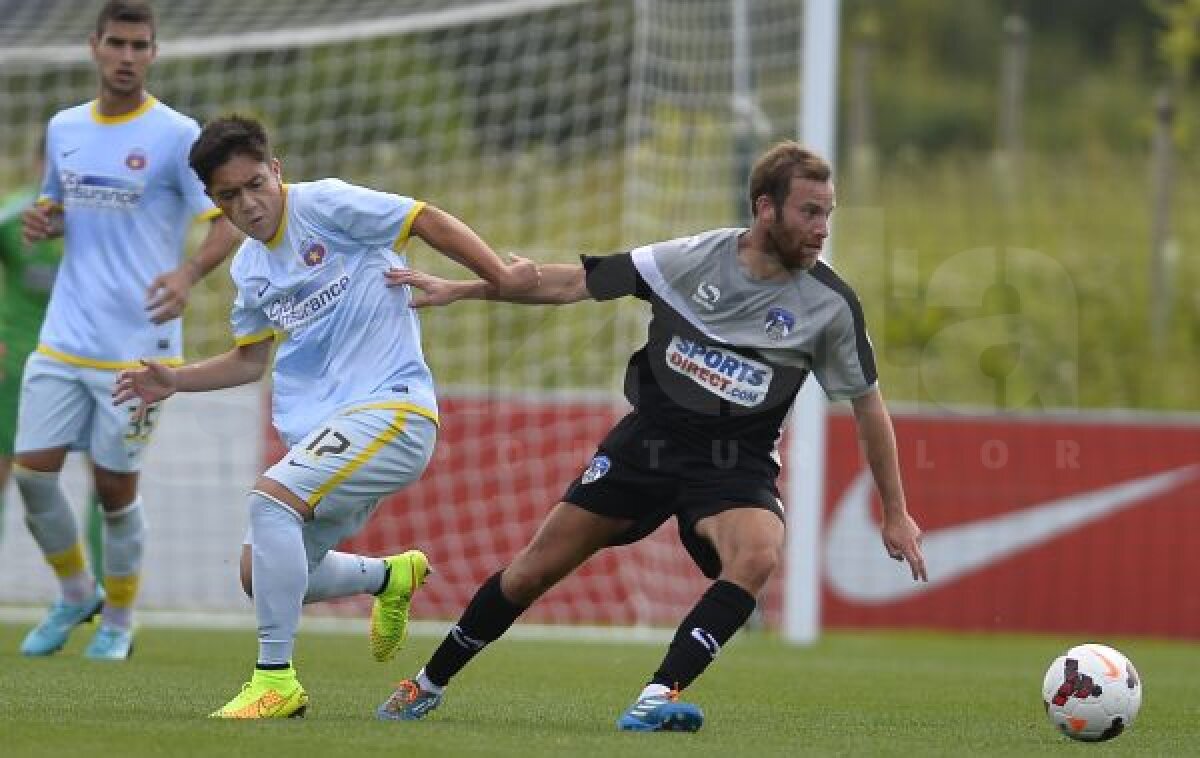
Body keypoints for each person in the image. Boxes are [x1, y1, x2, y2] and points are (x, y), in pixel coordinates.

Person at [377, 142, 929, 732]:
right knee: (532, 571)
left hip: (733, 464)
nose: (822, 229)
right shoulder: (694, 259)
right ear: (766, 209)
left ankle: (655, 696)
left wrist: (895, 513)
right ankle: (425, 684)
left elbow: (868, 407)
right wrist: (467, 288)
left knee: (760, 553)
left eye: (829, 213)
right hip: (649, 443)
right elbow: (574, 284)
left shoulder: (831, 306)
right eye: (810, 212)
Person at [113, 114, 538, 719]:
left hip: (394, 408)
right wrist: (174, 380)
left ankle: (275, 681)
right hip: (329, 431)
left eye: (256, 184)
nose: (249, 204)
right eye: (230, 196)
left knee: (269, 502)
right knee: (258, 574)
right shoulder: (248, 269)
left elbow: (425, 218)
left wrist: (498, 276)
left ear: (276, 170)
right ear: (214, 201)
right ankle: (388, 577)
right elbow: (247, 362)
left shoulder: (327, 204)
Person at [15, 0, 242, 661]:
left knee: (115, 489)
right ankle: (74, 591)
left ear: (153, 53)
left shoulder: (176, 133)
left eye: (139, 46)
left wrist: (189, 274)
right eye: (115, 43)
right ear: (93, 47)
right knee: (32, 477)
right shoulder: (64, 127)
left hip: (136, 345)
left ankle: (117, 619)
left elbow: (225, 217)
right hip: (64, 332)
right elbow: (61, 203)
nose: (126, 56)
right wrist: (46, 221)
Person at [0, 136, 64, 548]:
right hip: (16, 362)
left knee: (113, 481)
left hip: (90, 363)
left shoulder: (107, 226)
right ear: (37, 161)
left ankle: (106, 598)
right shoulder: (12, 219)